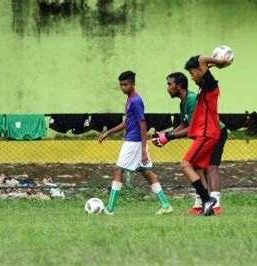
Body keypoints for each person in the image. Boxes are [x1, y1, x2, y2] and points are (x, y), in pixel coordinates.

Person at [153, 55, 231, 216]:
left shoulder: (209, 86)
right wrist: (166, 135)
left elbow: (202, 59)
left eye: (193, 72)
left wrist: (218, 62)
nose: (192, 76)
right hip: (204, 133)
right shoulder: (202, 87)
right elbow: (185, 123)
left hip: (208, 133)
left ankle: (210, 202)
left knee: (188, 165)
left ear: (200, 70)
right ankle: (203, 204)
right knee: (196, 167)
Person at [98, 71, 173, 215]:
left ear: (133, 84)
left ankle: (110, 209)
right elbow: (127, 123)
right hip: (135, 142)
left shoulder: (136, 101)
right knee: (147, 172)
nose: (123, 88)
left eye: (125, 85)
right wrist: (108, 132)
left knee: (118, 170)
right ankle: (166, 205)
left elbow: (143, 125)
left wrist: (144, 150)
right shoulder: (129, 99)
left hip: (133, 142)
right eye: (121, 85)